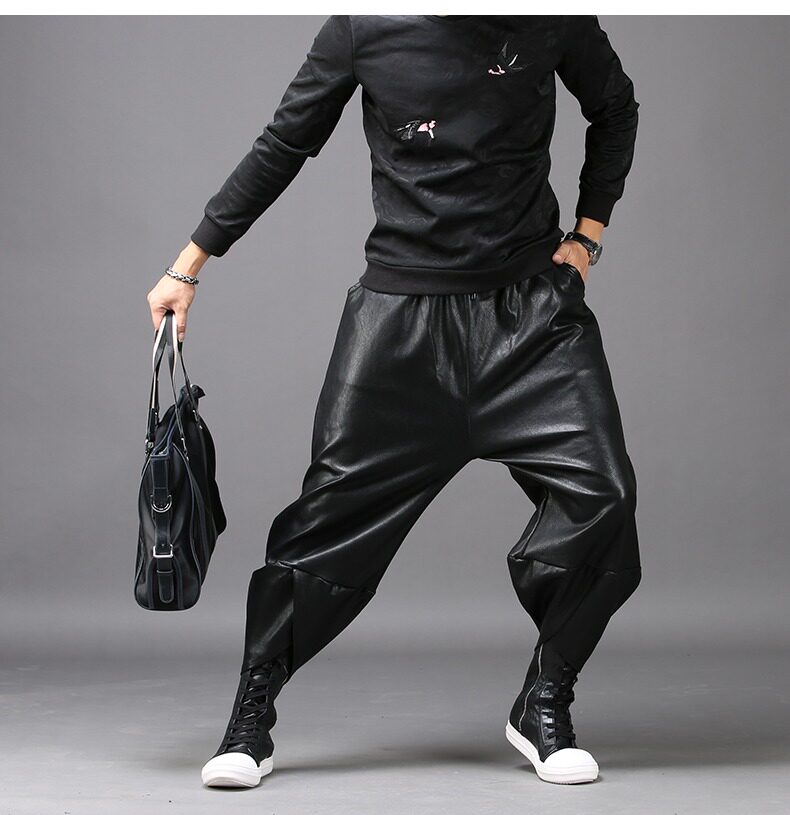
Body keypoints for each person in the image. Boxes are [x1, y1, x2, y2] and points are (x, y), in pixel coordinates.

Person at [146, 14, 641, 788]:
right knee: (325, 526)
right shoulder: (363, 25)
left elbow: (614, 106)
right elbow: (284, 142)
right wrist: (188, 266)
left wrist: (587, 234)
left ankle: (545, 697)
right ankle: (251, 715)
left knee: (603, 497)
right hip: (400, 326)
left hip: (532, 321)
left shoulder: (551, 14)